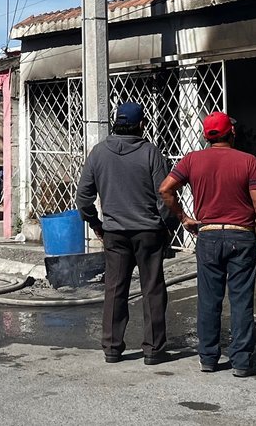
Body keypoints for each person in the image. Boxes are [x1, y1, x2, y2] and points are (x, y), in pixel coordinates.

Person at [159, 112, 256, 377]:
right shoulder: (248, 161)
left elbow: (165, 189)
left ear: (205, 136)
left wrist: (184, 218)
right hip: (241, 236)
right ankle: (241, 361)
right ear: (232, 133)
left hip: (209, 235)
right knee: (241, 300)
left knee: (209, 300)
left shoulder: (192, 160)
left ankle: (209, 358)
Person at [76, 102, 175, 365]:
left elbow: (83, 196)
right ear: (141, 124)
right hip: (148, 232)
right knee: (152, 289)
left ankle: (112, 347)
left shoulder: (98, 153)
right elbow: (164, 196)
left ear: (115, 123)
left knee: (115, 289)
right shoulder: (150, 153)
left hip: (115, 234)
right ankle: (153, 349)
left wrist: (95, 223)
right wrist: (168, 226)